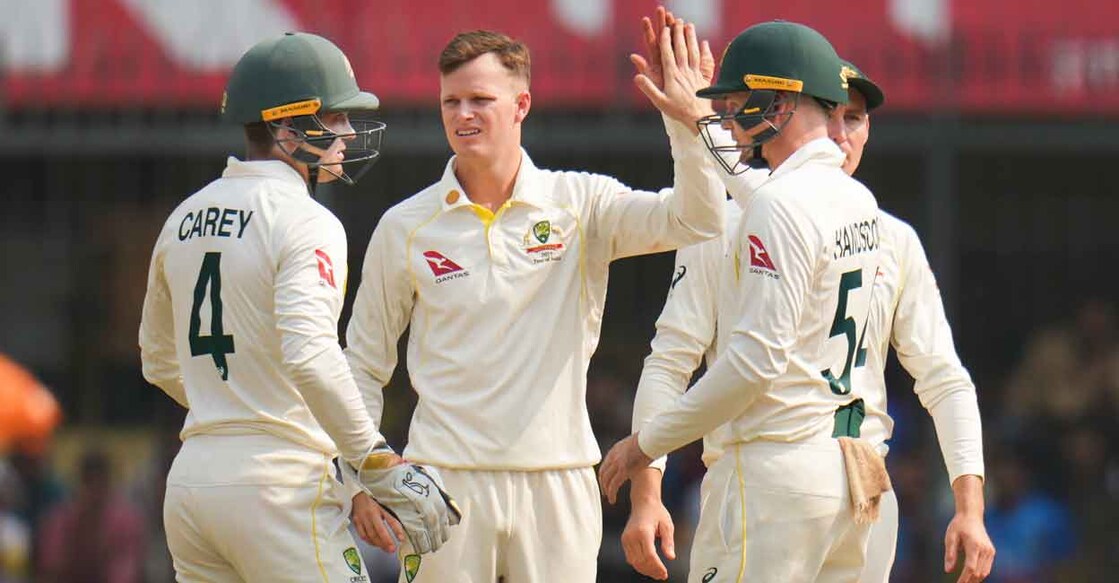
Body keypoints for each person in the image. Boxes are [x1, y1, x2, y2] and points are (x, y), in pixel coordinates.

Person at [618, 12, 995, 581]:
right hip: (854, 488)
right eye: (832, 113)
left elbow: (943, 378)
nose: (840, 134)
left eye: (855, 118)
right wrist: (692, 122)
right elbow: (672, 356)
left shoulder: (856, 224)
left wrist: (642, 446)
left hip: (792, 475)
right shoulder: (816, 216)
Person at [343, 28, 726, 583]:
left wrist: (687, 124)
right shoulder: (406, 224)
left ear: (521, 104)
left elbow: (698, 220)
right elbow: (362, 364)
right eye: (452, 101)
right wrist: (360, 479)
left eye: (481, 100)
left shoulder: (581, 202)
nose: (464, 114)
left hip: (558, 480)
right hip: (443, 482)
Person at [138, 31, 459, 581]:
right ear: (287, 128)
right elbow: (311, 354)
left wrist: (234, 405)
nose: (348, 134)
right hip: (278, 485)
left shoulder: (184, 218)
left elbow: (157, 360)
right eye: (334, 120)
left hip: (192, 485)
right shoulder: (306, 220)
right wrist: (376, 460)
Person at [599, 20, 888, 581]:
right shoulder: (857, 200)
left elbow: (755, 363)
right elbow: (763, 198)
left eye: (737, 102)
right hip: (844, 478)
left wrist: (645, 445)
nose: (729, 115)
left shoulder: (778, 207)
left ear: (778, 100)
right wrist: (690, 122)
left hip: (770, 475)